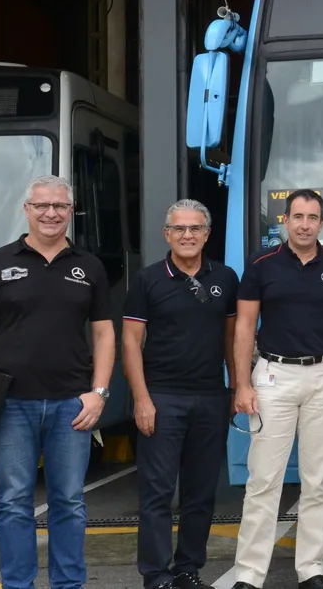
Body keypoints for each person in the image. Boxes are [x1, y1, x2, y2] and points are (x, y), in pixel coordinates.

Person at [0, 175, 114, 589]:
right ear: (27, 210)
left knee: (70, 504)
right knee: (12, 504)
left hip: (71, 406)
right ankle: (18, 586)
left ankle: (68, 585)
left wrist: (98, 394)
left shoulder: (90, 266)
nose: (51, 213)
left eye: (59, 206)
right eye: (42, 205)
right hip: (11, 405)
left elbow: (103, 334)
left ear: (70, 211)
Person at [230, 189, 323, 589]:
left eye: (313, 217)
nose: (305, 224)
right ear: (284, 221)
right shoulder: (260, 264)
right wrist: (241, 382)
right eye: (298, 216)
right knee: (263, 480)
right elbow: (243, 326)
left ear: (322, 224)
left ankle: (312, 570)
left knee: (318, 480)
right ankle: (249, 575)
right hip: (274, 376)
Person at [123, 199, 240, 589]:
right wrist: (141, 399)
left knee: (201, 493)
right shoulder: (147, 280)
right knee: (156, 493)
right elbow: (130, 343)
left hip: (210, 398)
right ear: (166, 234)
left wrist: (238, 388)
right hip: (161, 398)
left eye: (195, 229)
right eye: (179, 229)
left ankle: (188, 570)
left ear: (207, 234)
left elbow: (231, 339)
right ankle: (156, 576)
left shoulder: (225, 277)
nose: (187, 235)